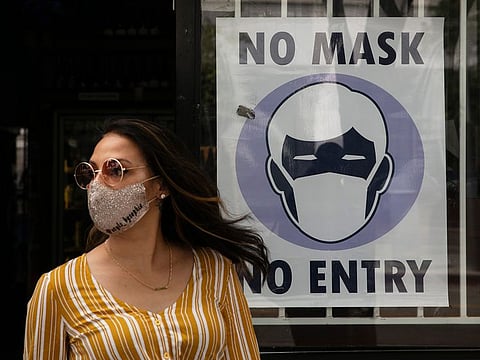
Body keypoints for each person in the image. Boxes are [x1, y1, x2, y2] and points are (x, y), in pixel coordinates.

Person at [23, 118, 270, 359]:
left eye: (115, 169)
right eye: (91, 172)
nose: (97, 185)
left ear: (160, 185)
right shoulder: (57, 288)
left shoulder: (215, 270)